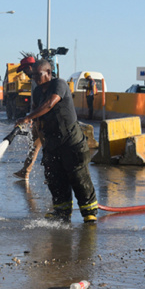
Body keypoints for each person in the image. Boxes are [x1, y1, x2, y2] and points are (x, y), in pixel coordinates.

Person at [16, 59, 98, 223]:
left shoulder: (59, 84)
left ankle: (89, 212)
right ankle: (61, 210)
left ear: (48, 73)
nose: (35, 78)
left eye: (38, 75)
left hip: (70, 140)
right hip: (52, 141)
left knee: (78, 175)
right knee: (55, 177)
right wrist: (32, 123)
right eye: (33, 75)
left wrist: (27, 117)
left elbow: (49, 104)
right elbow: (36, 109)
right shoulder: (38, 92)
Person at [12, 56, 42, 180]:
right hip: (37, 118)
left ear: (30, 68)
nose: (24, 74)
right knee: (34, 145)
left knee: (50, 149)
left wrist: (31, 117)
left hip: (44, 119)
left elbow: (44, 102)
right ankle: (26, 171)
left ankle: (56, 175)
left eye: (24, 71)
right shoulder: (34, 81)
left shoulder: (39, 80)